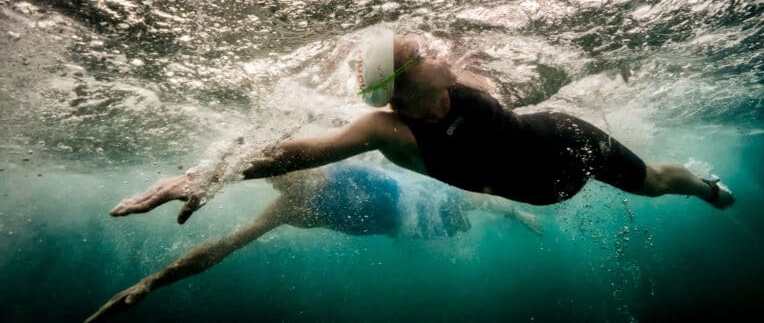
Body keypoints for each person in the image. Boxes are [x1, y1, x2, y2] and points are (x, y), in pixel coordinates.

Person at [109, 29, 734, 227]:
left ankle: (707, 189)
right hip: (540, 188)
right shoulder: (387, 129)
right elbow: (299, 150)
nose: (438, 49)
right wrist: (209, 174)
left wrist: (603, 61)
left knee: (652, 181)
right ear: (411, 78)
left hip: (567, 141)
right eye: (422, 49)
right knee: (644, 181)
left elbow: (542, 78)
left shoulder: (462, 77)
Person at [85, 162, 542, 322]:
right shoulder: (287, 210)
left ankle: (517, 210)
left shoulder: (327, 161)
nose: (287, 185)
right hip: (407, 225)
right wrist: (153, 280)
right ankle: (506, 210)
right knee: (459, 222)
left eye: (290, 176)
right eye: (280, 183)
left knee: (474, 203)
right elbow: (224, 246)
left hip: (421, 195)